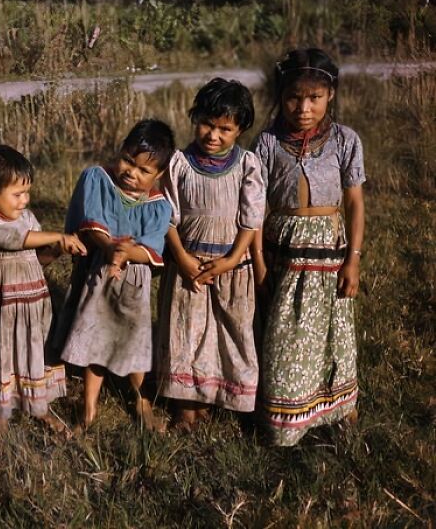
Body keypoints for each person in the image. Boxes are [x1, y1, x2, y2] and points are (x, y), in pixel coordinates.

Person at [253, 48, 365, 446]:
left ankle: (335, 408)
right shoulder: (266, 143)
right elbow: (252, 210)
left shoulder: (345, 140)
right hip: (282, 248)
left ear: (329, 95)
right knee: (284, 335)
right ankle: (287, 422)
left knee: (333, 332)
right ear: (281, 98)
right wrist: (259, 265)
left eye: (314, 98)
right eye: (293, 98)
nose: (303, 108)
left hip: (330, 251)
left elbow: (354, 204)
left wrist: (352, 259)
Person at [156, 78, 265, 431]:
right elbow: (166, 217)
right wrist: (182, 259)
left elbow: (251, 219)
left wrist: (232, 259)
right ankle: (186, 406)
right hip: (188, 264)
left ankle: (229, 399)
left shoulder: (248, 165)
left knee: (232, 331)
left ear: (240, 129)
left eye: (225, 129)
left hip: (233, 265)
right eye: (207, 123)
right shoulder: (178, 163)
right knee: (186, 333)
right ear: (194, 117)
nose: (213, 135)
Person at [55, 119, 175, 432]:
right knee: (95, 339)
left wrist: (126, 253)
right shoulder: (98, 178)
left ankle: (141, 401)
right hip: (100, 276)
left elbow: (152, 245)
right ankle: (88, 411)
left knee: (134, 344)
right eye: (127, 160)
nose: (131, 172)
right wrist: (112, 248)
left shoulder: (159, 205)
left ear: (159, 175)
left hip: (134, 283)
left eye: (143, 170)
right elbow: (94, 223)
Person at [0, 145, 86, 433]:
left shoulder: (27, 217)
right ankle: (2, 414)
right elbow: (16, 239)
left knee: (33, 349)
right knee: (2, 352)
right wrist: (58, 235)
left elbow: (35, 257)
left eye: (27, 193)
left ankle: (38, 407)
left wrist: (57, 249)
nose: (24, 201)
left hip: (31, 301)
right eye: (17, 194)